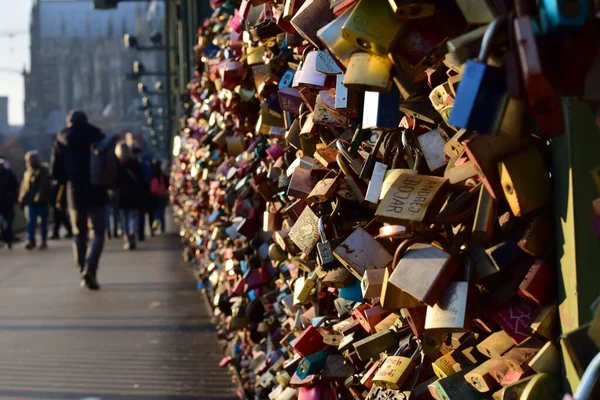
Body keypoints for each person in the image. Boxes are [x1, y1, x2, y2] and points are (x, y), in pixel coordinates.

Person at [51, 109, 107, 290]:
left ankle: (82, 269)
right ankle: (91, 268)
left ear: (69, 121)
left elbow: (56, 173)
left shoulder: (61, 139)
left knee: (79, 234)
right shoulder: (97, 135)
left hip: (73, 192)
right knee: (98, 232)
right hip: (96, 189)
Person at [115, 141, 146, 250]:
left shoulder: (118, 164)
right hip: (135, 194)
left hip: (122, 195)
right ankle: (133, 232)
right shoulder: (135, 163)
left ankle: (127, 237)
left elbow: (115, 181)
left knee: (124, 218)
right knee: (133, 216)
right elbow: (142, 179)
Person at [18, 151, 51, 250]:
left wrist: (39, 196)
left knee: (42, 222)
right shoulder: (27, 172)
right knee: (30, 221)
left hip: (41, 202)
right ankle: (31, 240)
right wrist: (21, 196)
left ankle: (43, 241)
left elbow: (44, 185)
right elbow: (24, 186)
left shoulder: (43, 170)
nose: (28, 162)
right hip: (29, 201)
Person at [0, 158, 18, 249]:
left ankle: (4, 237)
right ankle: (8, 239)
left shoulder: (9, 173)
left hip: (5, 201)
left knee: (3, 223)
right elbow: (15, 186)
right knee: (8, 222)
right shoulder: (9, 173)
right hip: (8, 202)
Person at [150, 159, 169, 234]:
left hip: (155, 196)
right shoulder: (162, 175)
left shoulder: (153, 175)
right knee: (161, 212)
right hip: (162, 195)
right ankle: (162, 226)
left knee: (156, 212)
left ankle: (155, 223)